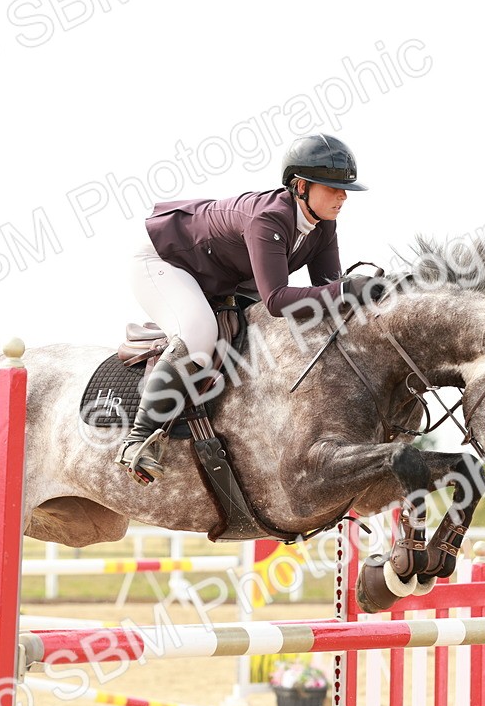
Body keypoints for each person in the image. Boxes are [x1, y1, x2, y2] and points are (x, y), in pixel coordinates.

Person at [116, 133, 384, 484]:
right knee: (200, 332)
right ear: (301, 187)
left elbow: (326, 296)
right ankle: (139, 439)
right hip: (163, 260)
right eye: (332, 187)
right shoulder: (269, 219)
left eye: (344, 188)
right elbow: (276, 300)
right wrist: (349, 290)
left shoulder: (323, 226)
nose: (343, 196)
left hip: (219, 277)